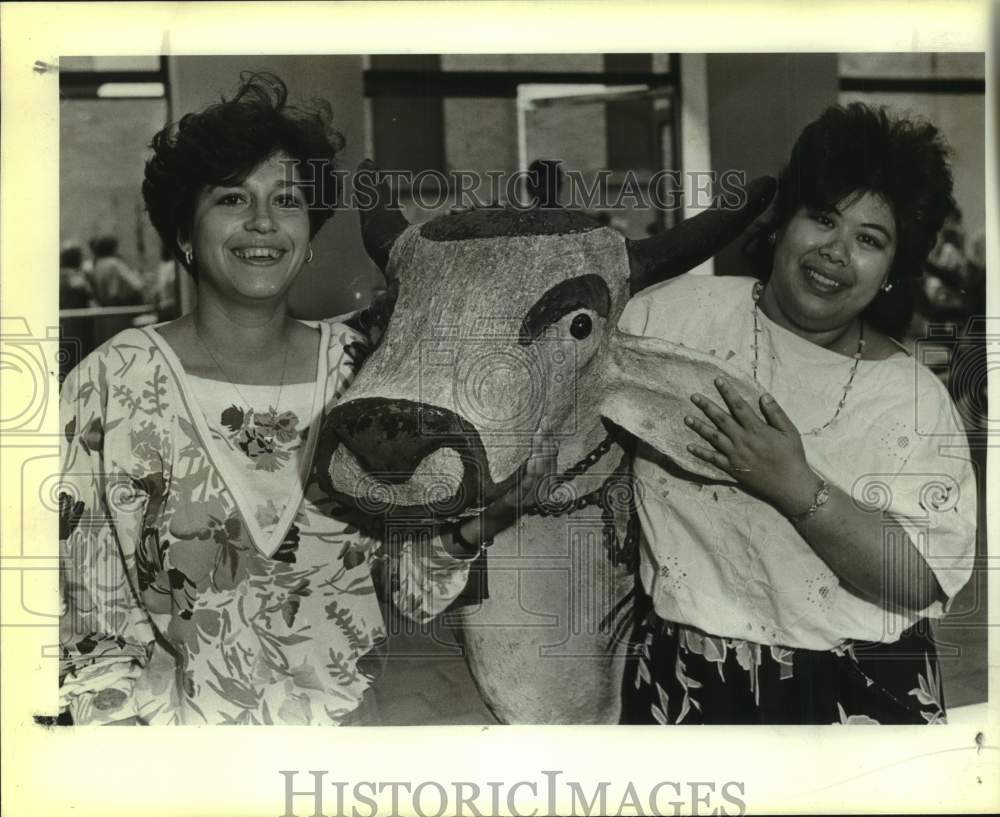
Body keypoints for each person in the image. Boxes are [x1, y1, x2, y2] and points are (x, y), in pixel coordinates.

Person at [58, 73, 549, 726]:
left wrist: (472, 529)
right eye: (232, 198)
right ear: (183, 230)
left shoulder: (362, 371)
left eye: (286, 200)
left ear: (309, 232)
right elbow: (75, 619)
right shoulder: (106, 389)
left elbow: (404, 583)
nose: (262, 221)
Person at [618, 103, 976, 725]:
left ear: (893, 270)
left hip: (855, 688)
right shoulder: (666, 322)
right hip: (684, 674)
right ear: (784, 222)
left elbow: (920, 580)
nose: (836, 252)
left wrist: (796, 487)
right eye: (823, 218)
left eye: (870, 239)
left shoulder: (914, 400)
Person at [89, 234, 146, 306]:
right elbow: (136, 286)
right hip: (124, 307)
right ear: (113, 248)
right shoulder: (114, 264)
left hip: (107, 306)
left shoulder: (98, 264)